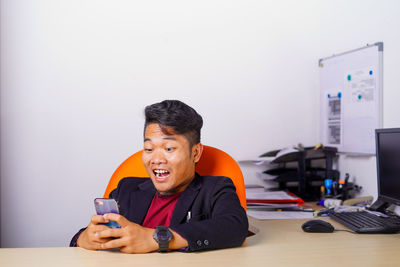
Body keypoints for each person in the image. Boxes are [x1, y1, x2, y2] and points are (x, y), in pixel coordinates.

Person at [70, 100, 248, 253]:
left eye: (169, 148)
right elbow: (97, 235)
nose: (156, 159)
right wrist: (83, 238)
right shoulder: (126, 189)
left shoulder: (215, 189)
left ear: (195, 153)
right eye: (148, 149)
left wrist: (157, 239)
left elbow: (234, 227)